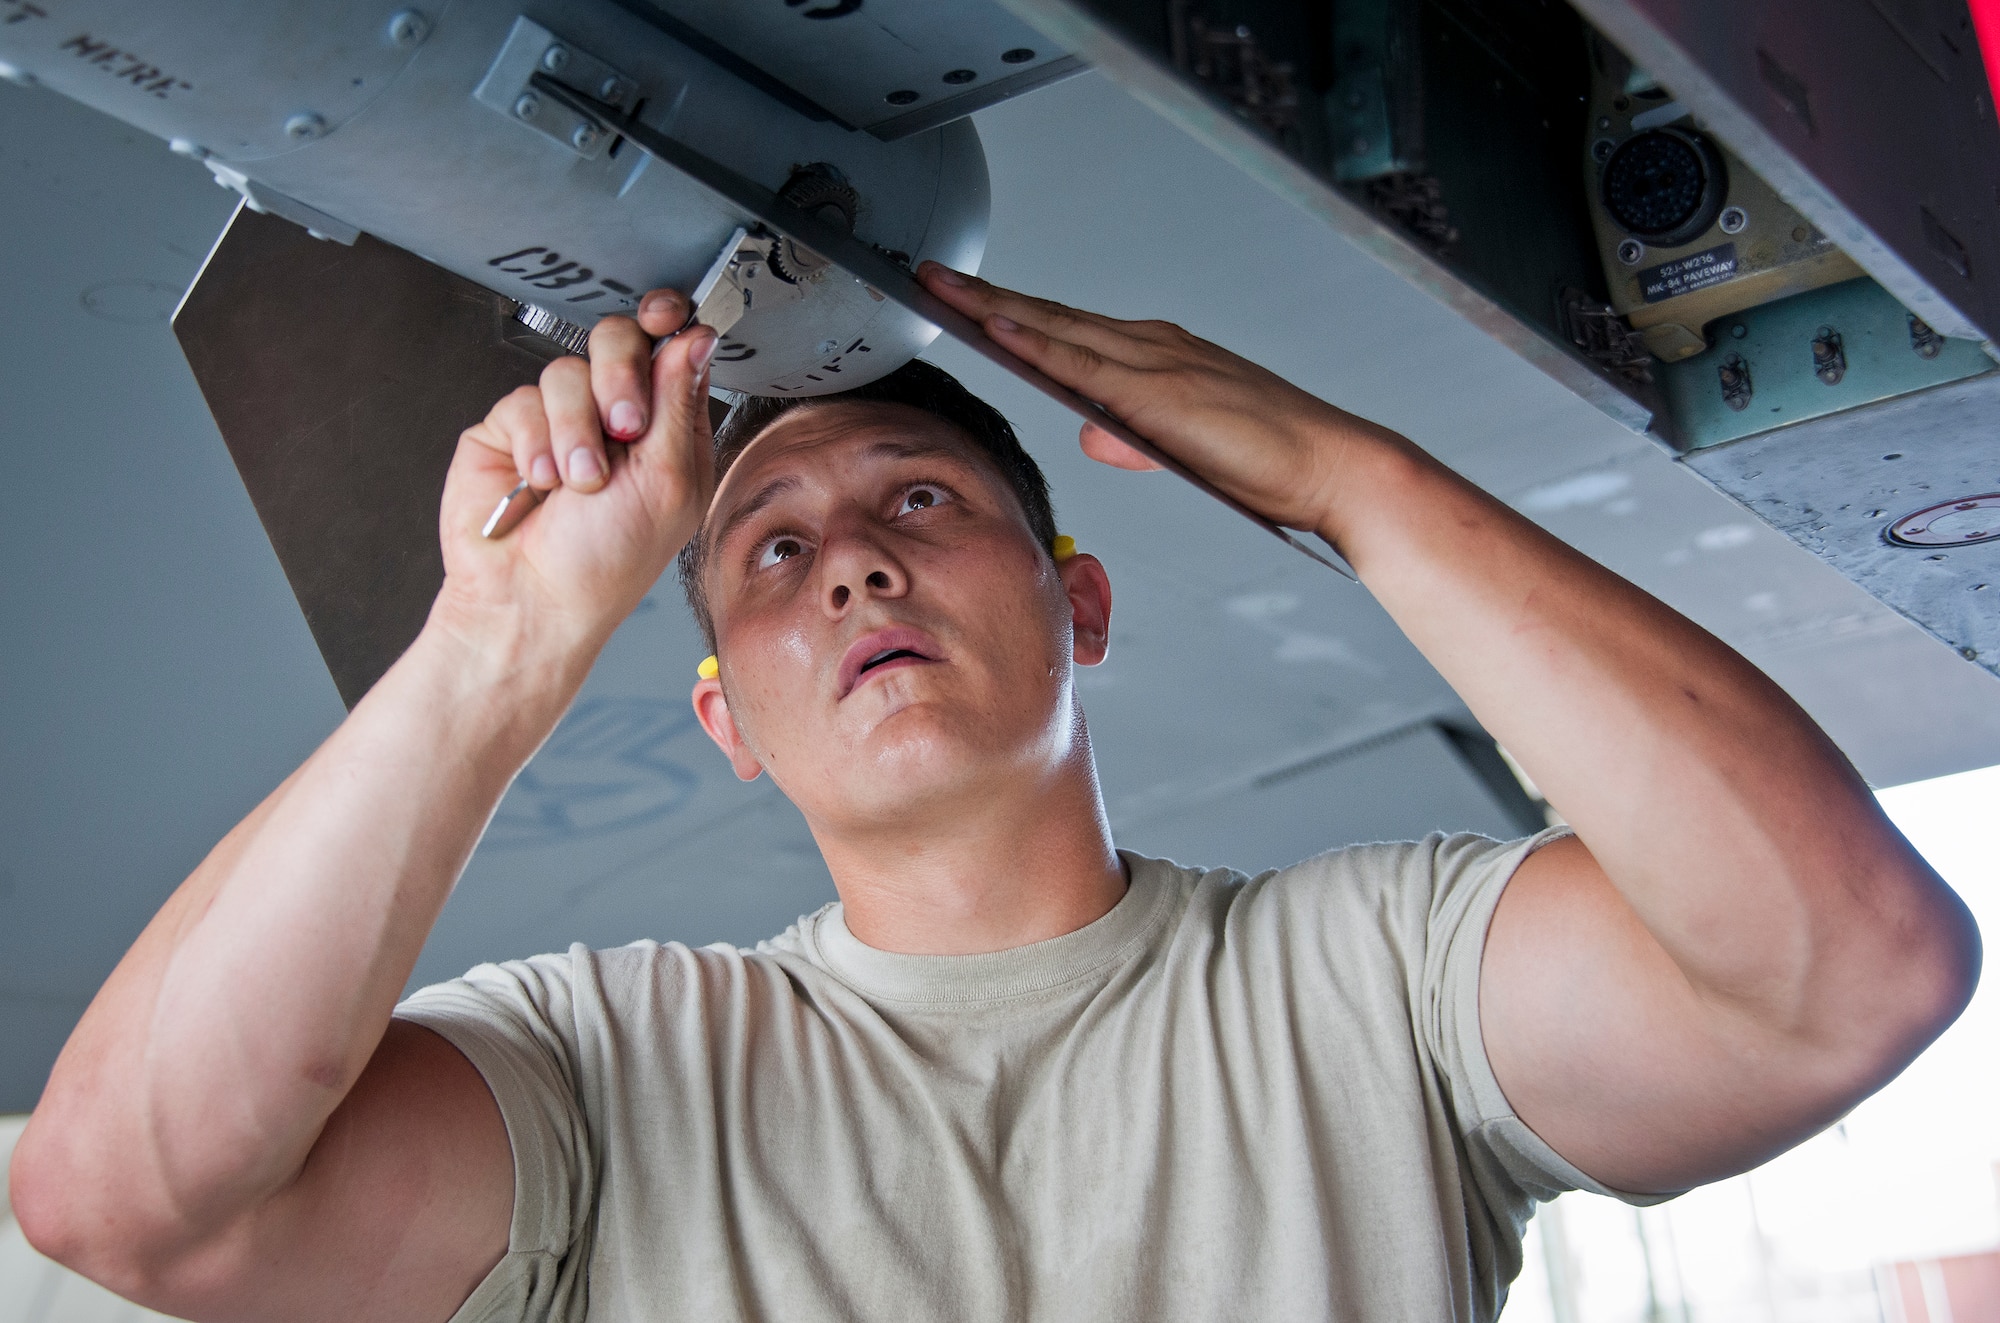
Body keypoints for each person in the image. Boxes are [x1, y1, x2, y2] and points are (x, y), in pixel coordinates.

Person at [10, 266, 1977, 1323]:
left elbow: (1852, 967)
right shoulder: (612, 1066)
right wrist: (496, 643)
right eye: (769, 551)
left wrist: (1349, 483)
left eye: (918, 504)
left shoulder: (1369, 988)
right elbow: (122, 1200)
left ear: (1079, 600)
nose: (852, 561)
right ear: (727, 721)